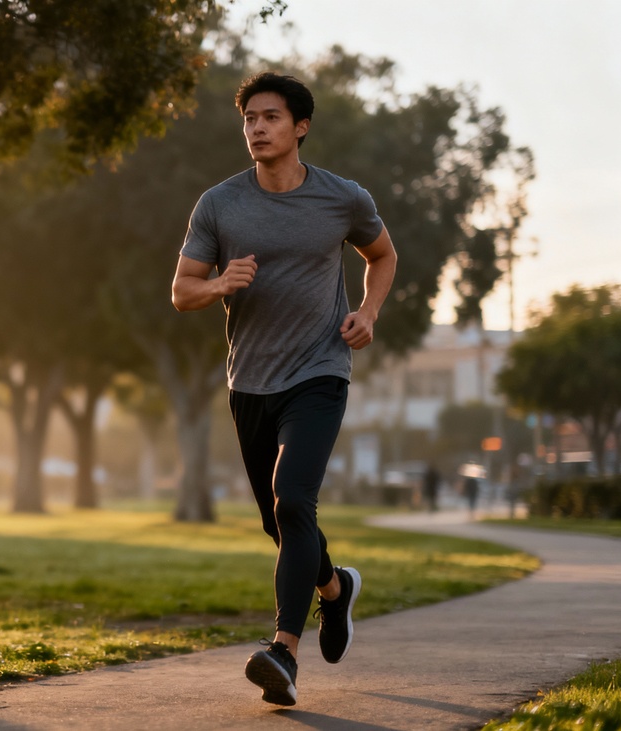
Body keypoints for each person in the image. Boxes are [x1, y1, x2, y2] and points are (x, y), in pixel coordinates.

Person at [171, 71, 397, 706]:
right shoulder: (219, 204)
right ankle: (334, 588)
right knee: (279, 519)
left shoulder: (342, 198)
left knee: (293, 498)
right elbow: (182, 290)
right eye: (249, 120)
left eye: (271, 118)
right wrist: (220, 285)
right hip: (251, 381)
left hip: (321, 371)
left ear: (300, 127)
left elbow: (383, 256)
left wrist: (368, 313)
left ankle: (283, 653)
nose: (258, 129)